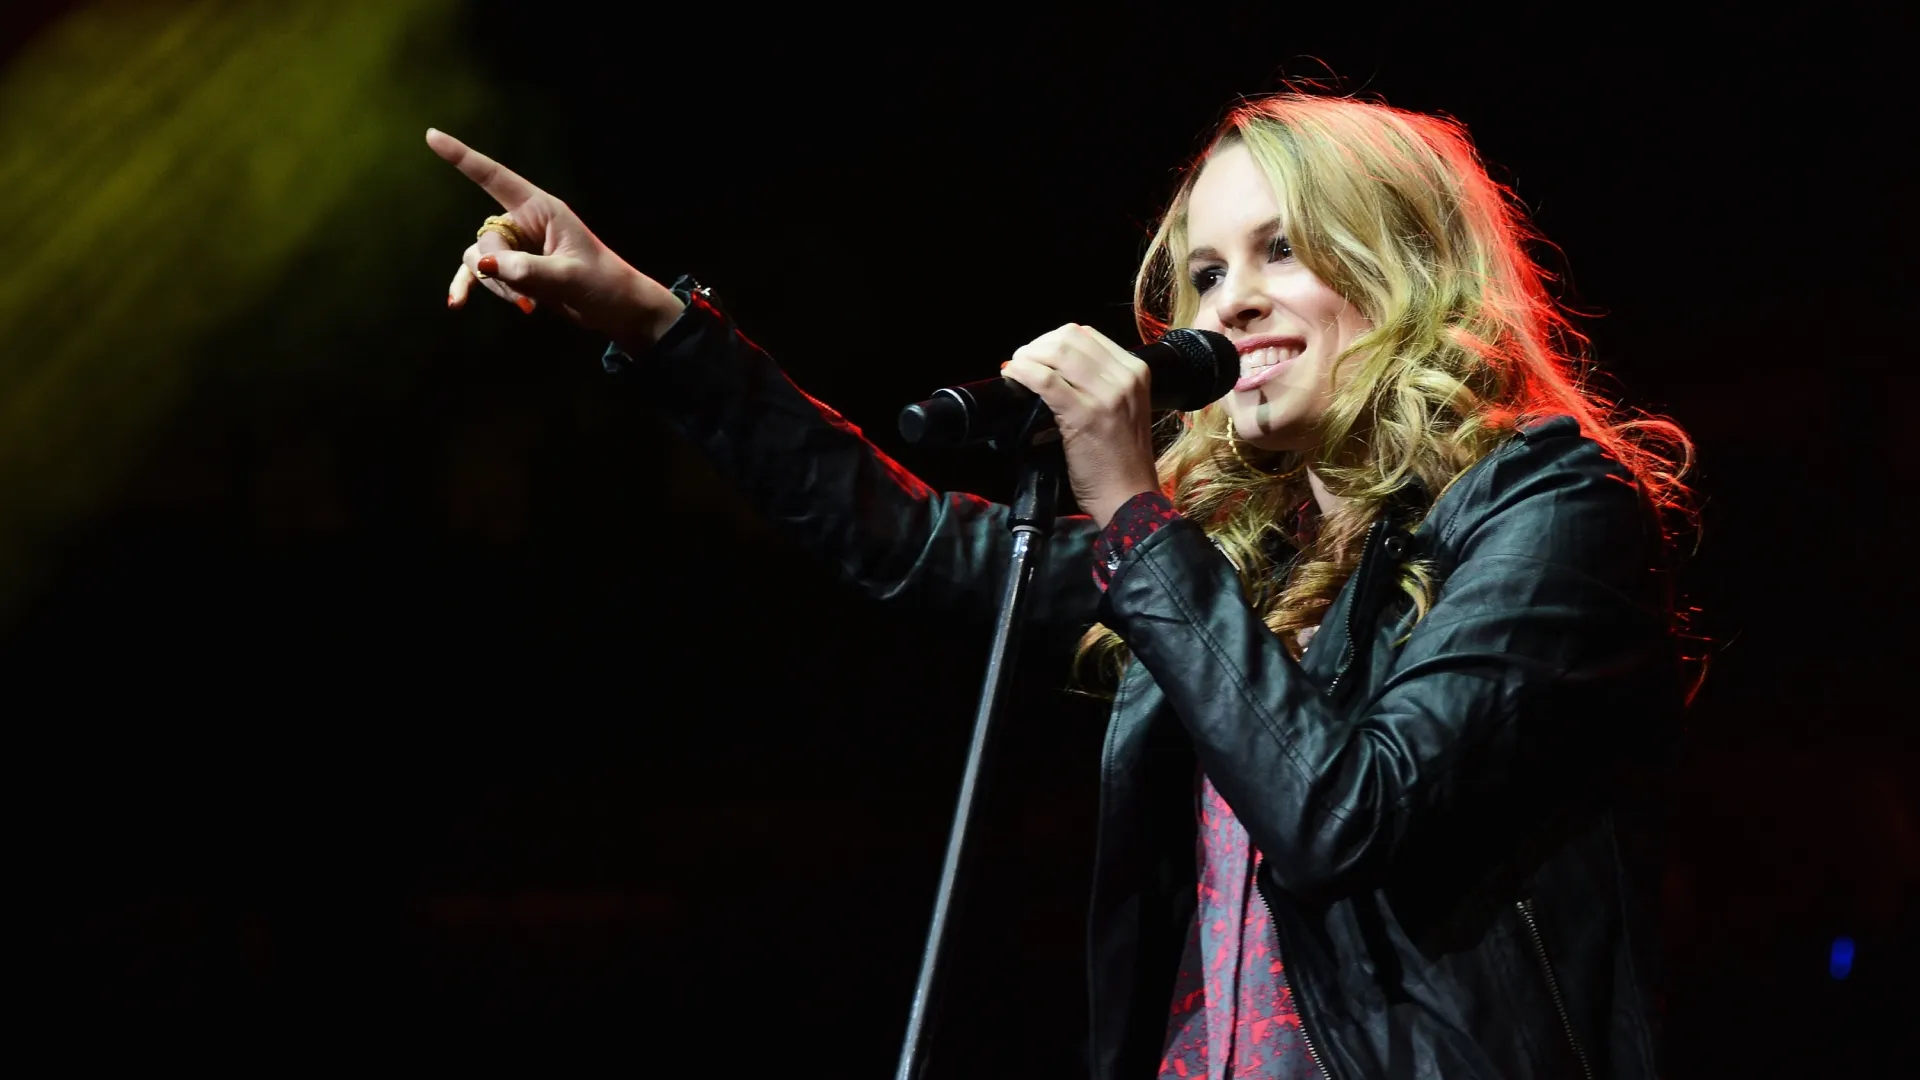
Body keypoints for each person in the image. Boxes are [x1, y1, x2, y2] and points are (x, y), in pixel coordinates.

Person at [428, 90, 1695, 1079]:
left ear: (1404, 268)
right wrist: (656, 326)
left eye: (1279, 254)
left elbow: (1345, 816)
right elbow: (918, 546)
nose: (1230, 304)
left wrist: (1135, 511)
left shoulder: (1546, 507)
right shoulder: (1228, 554)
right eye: (1203, 275)